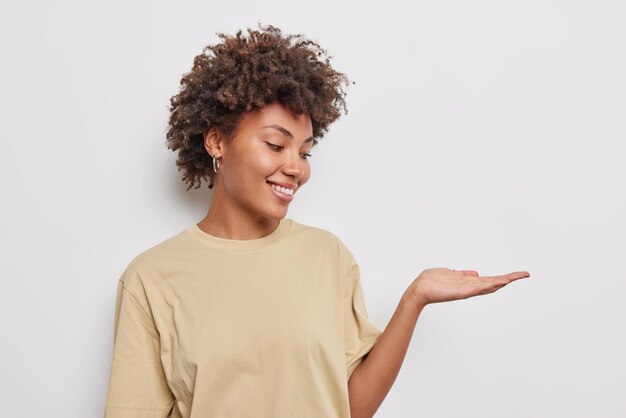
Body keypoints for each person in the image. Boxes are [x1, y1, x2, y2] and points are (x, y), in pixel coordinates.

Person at [103, 24, 530, 418]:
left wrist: (414, 299)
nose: (297, 169)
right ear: (216, 140)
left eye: (305, 152)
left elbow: (351, 408)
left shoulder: (328, 257)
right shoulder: (152, 279)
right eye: (276, 144)